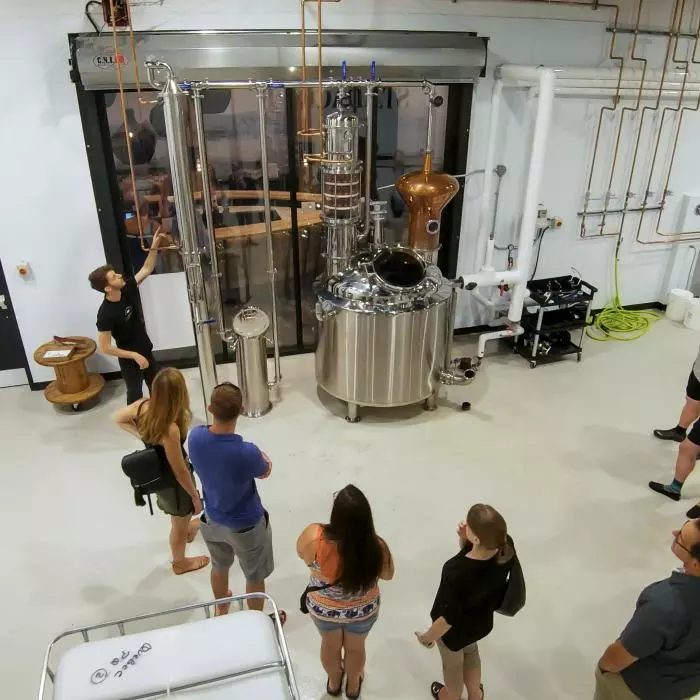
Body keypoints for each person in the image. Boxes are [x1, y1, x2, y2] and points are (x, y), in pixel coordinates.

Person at [187, 383, 281, 620]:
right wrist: (265, 459)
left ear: (210, 408)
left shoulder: (195, 437)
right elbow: (265, 470)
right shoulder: (246, 452)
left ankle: (221, 607)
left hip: (212, 518)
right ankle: (255, 621)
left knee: (219, 565)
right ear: (241, 410)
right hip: (246, 525)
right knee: (254, 575)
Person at [296, 485, 394, 699]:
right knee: (356, 649)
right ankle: (353, 685)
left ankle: (334, 681)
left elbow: (301, 555)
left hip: (324, 608)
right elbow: (388, 575)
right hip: (362, 610)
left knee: (329, 646)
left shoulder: (314, 537)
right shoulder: (377, 547)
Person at [114, 367, 209, 576]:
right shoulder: (170, 429)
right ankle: (180, 562)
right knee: (179, 520)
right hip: (173, 482)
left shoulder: (142, 406)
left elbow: (118, 418)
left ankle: (185, 527)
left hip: (160, 475)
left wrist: (143, 435)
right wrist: (195, 497)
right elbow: (180, 472)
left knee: (178, 515)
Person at [416, 504, 515, 700]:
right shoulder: (505, 549)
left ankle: (450, 695)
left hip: (454, 634)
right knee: (471, 653)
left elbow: (447, 619)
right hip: (479, 623)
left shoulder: (457, 572)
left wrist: (427, 637)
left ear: (477, 539)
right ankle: (475, 694)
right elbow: (476, 556)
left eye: (469, 527)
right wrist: (466, 539)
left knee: (452, 666)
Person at [594, 519, 700, 700]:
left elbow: (619, 657)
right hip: (687, 686)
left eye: (680, 538)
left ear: (696, 564)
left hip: (642, 688)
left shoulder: (664, 604)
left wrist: (603, 668)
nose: (674, 533)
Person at [89, 233, 164, 405]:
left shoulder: (126, 289)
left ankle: (158, 417)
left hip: (146, 349)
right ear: (108, 288)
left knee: (157, 388)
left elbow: (146, 269)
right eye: (114, 277)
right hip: (129, 360)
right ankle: (135, 419)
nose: (119, 275)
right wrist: (134, 355)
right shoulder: (105, 314)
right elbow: (106, 347)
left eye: (116, 273)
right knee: (135, 394)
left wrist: (154, 246)